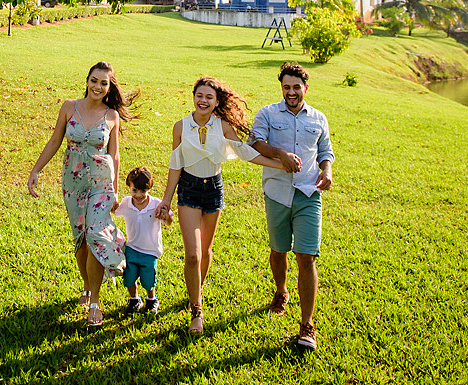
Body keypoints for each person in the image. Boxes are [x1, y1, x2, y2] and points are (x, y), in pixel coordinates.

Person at [154, 76, 285, 334]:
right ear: (193, 97)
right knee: (193, 254)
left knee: (205, 251)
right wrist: (166, 199)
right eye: (199, 96)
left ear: (216, 102)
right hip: (189, 188)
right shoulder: (180, 127)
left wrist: (280, 165)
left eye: (209, 97)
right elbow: (175, 164)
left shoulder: (223, 126)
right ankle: (197, 310)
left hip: (213, 189)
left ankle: (197, 290)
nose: (203, 101)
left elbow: (246, 152)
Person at [28, 61, 130, 327]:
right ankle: (87, 285)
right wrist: (36, 170)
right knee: (81, 239)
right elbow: (55, 141)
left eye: (104, 83)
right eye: (94, 80)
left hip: (100, 184)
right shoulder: (68, 107)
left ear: (109, 87)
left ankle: (95, 300)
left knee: (95, 233)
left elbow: (114, 155)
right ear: (87, 81)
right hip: (73, 182)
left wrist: (114, 190)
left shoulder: (111, 115)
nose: (98, 86)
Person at [248, 62, 335, 351]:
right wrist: (280, 154)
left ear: (305, 88)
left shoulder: (319, 118)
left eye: (296, 87)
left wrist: (327, 170)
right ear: (282, 88)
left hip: (309, 193)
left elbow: (325, 151)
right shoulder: (268, 113)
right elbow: (255, 141)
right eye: (286, 87)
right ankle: (281, 290)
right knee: (278, 250)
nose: (291, 92)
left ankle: (307, 324)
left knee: (306, 257)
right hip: (277, 192)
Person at [113, 166, 171, 316]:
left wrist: (166, 216)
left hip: (150, 251)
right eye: (134, 191)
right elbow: (114, 211)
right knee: (128, 277)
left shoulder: (156, 204)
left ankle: (151, 299)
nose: (138, 195)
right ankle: (134, 299)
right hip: (132, 248)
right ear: (129, 187)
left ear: (149, 189)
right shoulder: (126, 203)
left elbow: (169, 221)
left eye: (143, 191)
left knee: (148, 280)